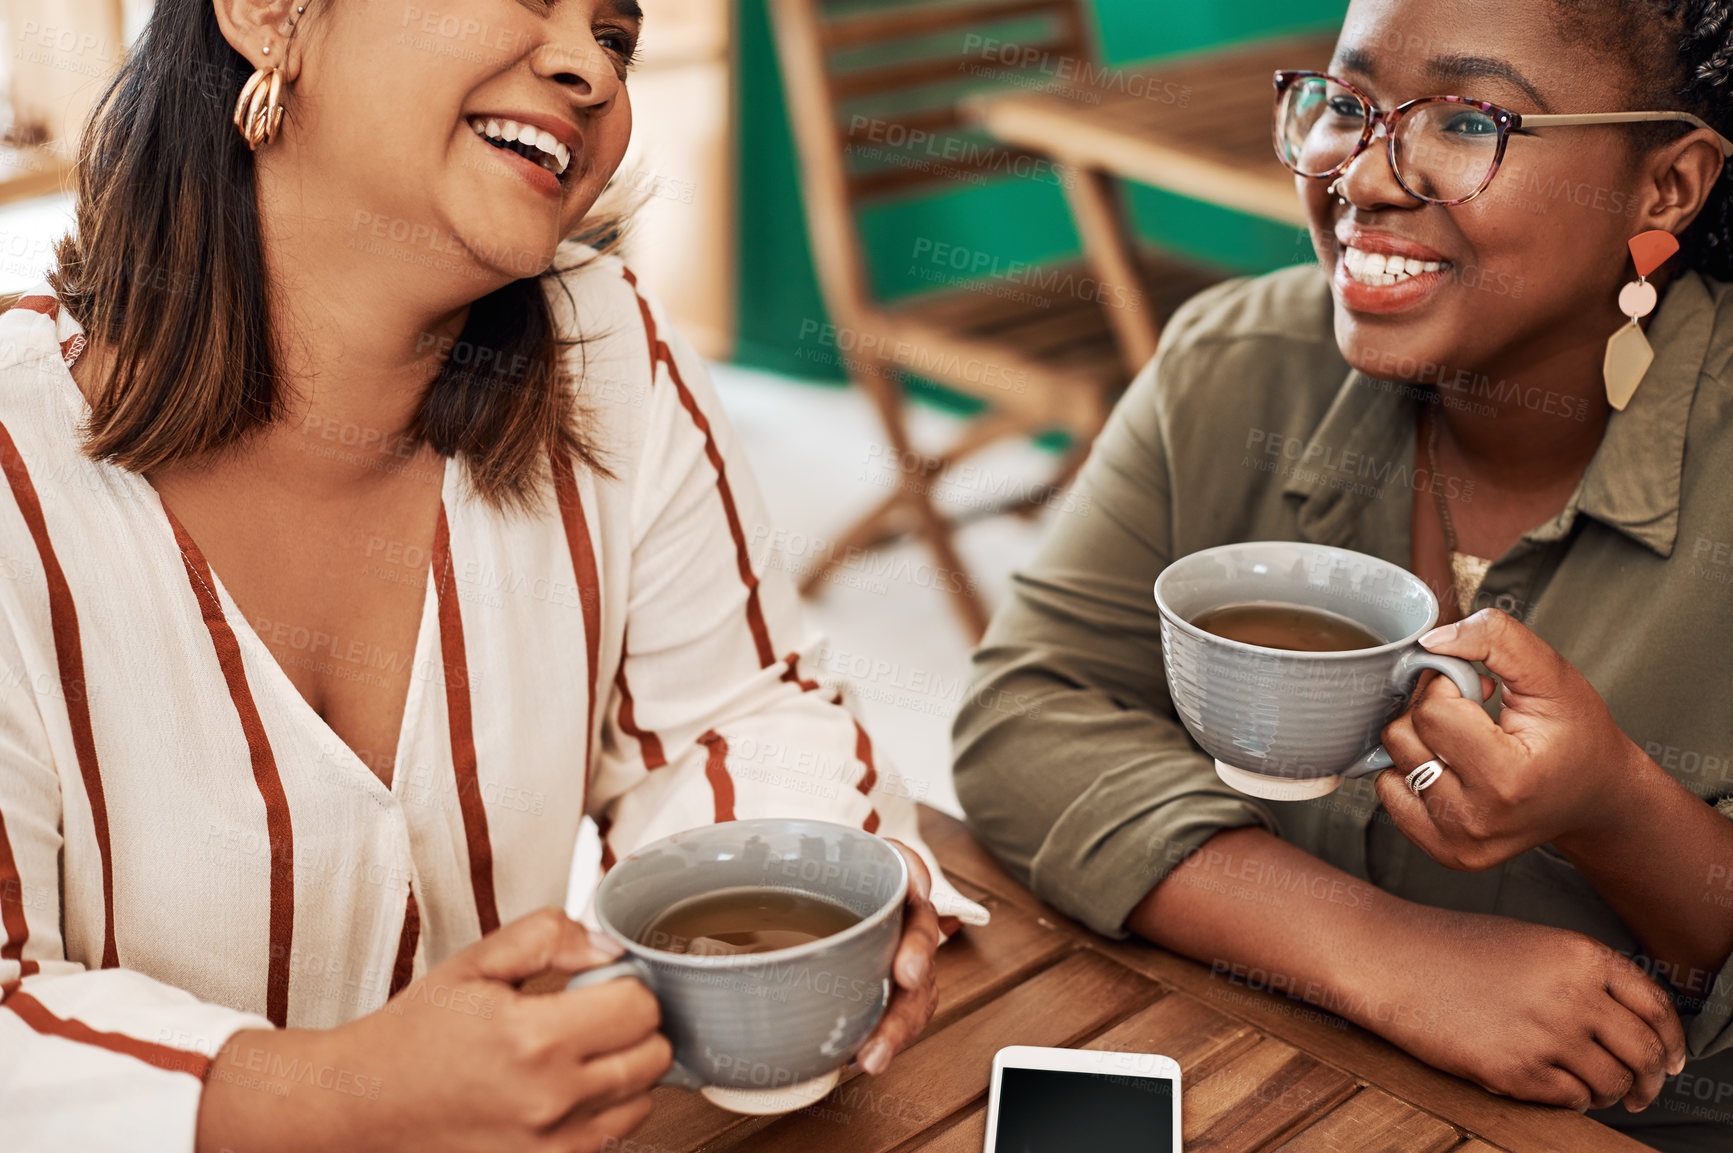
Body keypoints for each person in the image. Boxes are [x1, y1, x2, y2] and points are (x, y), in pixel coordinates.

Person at [0, 1, 983, 1149]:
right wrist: (334, 1099)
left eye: (614, 35)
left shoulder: (609, 350)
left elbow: (746, 712)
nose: (589, 70)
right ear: (269, 14)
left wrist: (809, 905)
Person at [953, 1, 1733, 1149]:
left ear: (1663, 186)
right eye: (1345, 105)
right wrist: (1385, 956)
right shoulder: (1230, 363)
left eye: (1469, 121)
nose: (1360, 175)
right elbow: (1021, 718)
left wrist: (1613, 807)